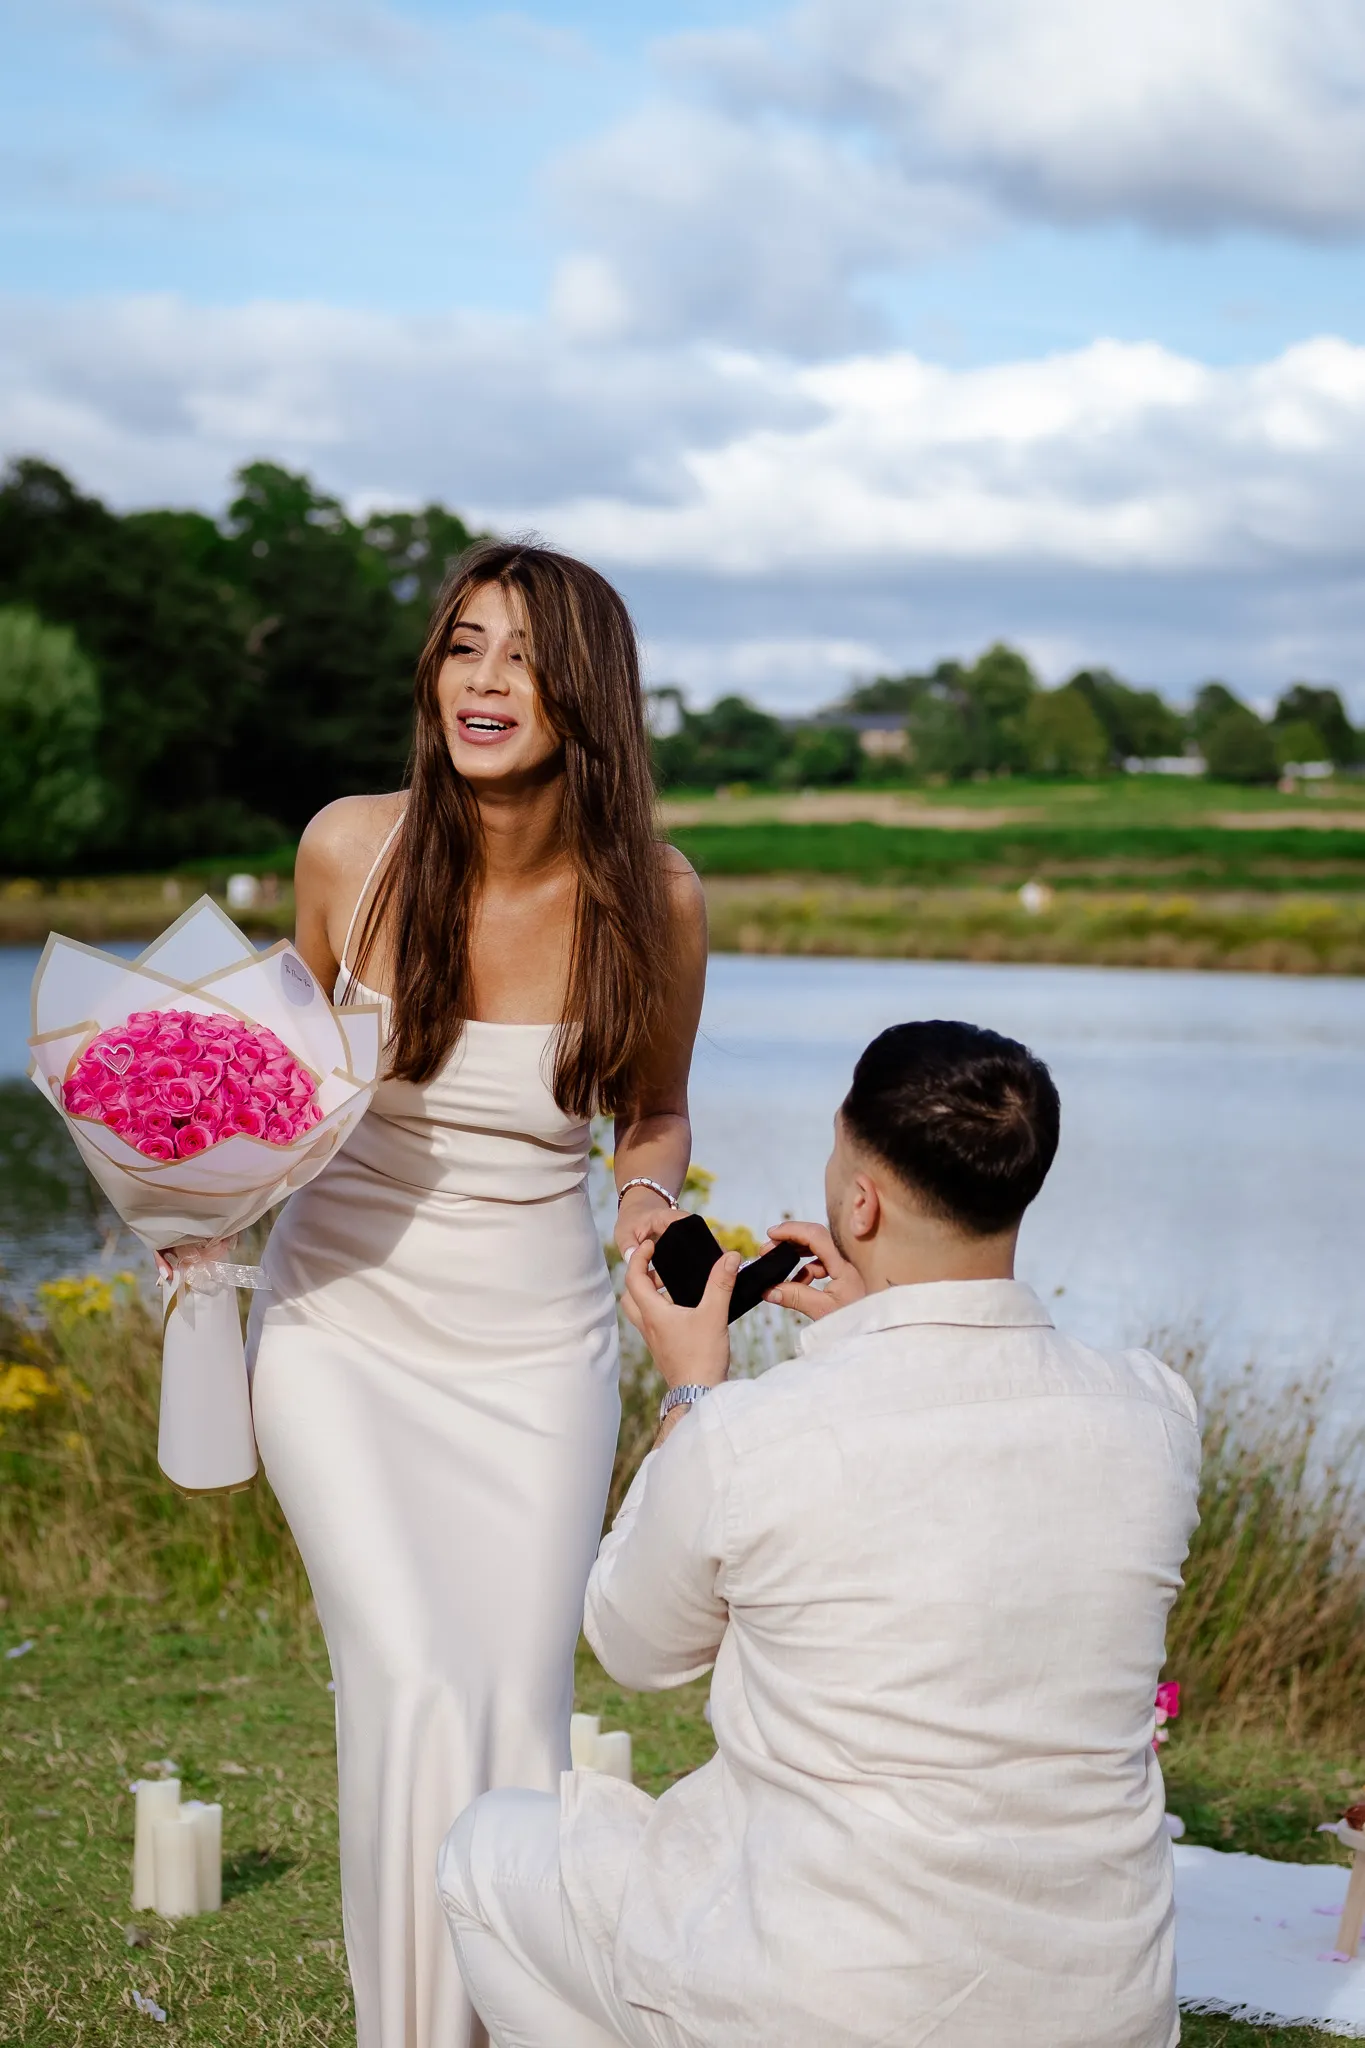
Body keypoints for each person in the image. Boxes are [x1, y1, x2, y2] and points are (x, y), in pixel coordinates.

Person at [438, 1020, 1202, 2048]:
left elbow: (634, 1645)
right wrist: (860, 1326)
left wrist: (691, 1391)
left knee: (487, 1848)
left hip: (823, 2002)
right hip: (1099, 2013)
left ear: (860, 1203)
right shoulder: (1155, 1412)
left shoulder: (754, 1433)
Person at [247, 540, 706, 2048]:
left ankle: (500, 2018)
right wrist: (193, 1195)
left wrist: (645, 1204)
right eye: (463, 645)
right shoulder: (347, 850)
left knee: (511, 1704)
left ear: (588, 693)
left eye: (522, 653)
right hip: (339, 1321)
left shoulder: (658, 898)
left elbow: (654, 1108)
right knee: (408, 1678)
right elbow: (270, 1082)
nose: (485, 681)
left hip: (536, 1347)